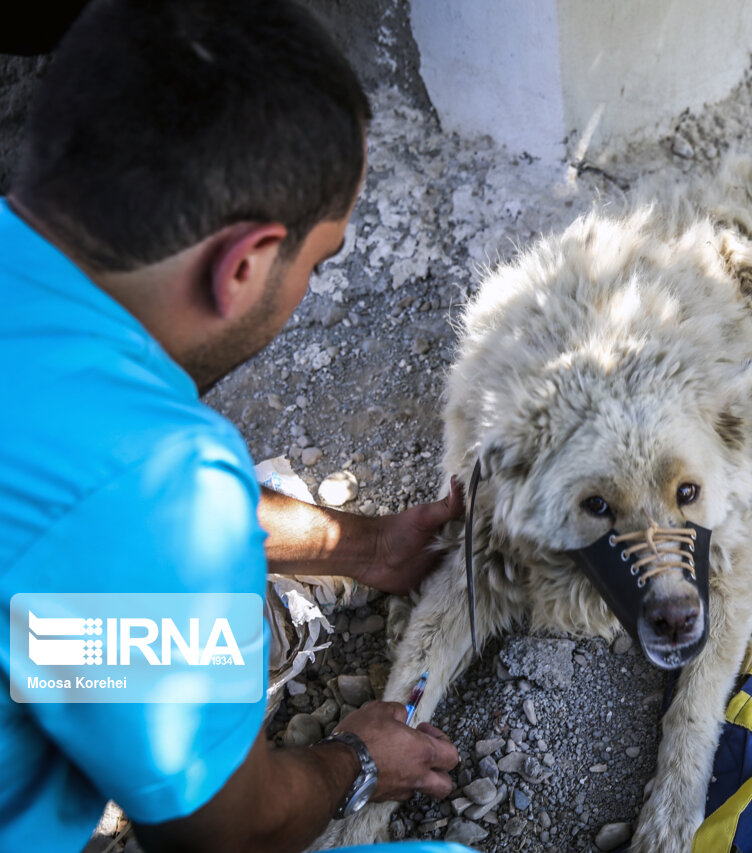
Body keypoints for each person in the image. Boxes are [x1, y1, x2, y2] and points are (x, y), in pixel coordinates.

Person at [0, 1, 468, 851]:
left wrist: (361, 547)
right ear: (245, 263)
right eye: (316, 262)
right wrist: (355, 759)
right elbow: (225, 833)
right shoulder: (156, 475)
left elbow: (63, 524)